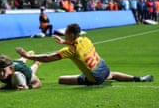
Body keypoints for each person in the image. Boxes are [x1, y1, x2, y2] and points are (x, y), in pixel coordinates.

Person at [16, 23, 153, 86]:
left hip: (95, 77)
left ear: (70, 34)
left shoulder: (71, 51)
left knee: (61, 79)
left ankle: (96, 80)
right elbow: (76, 45)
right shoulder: (85, 39)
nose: (63, 34)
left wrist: (28, 56)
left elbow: (47, 58)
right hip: (104, 67)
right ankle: (139, 78)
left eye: (65, 33)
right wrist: (64, 42)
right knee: (112, 74)